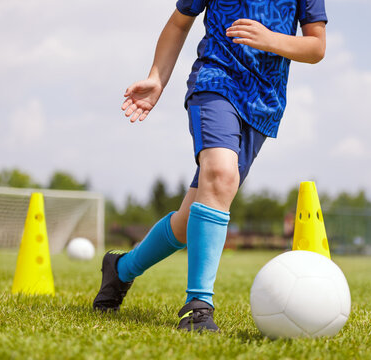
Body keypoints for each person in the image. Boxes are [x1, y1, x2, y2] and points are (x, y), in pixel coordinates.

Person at [93, 0, 327, 332]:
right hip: (215, 83)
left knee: (192, 216)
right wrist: (157, 79)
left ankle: (121, 269)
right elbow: (178, 23)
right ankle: (198, 306)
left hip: (263, 105)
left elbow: (316, 46)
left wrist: (271, 39)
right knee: (220, 174)